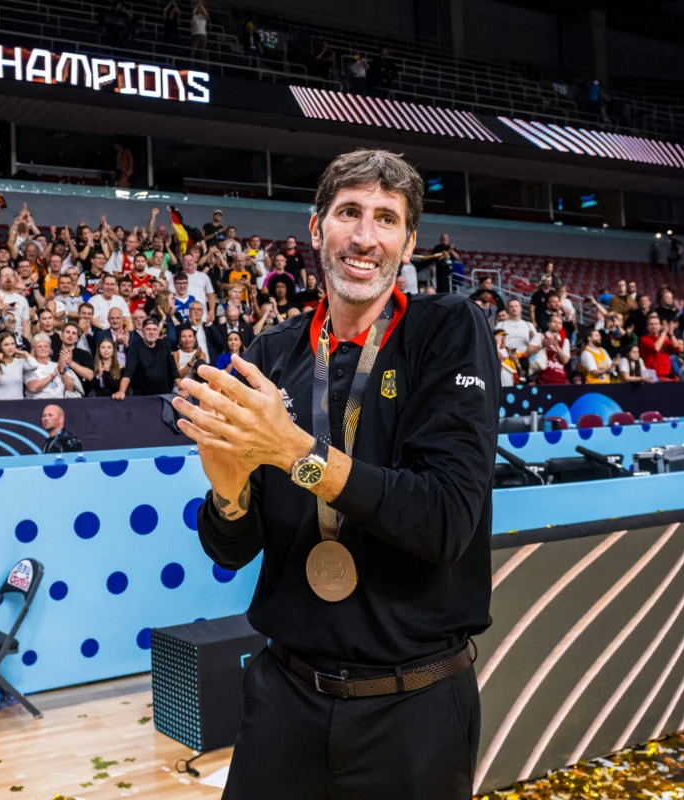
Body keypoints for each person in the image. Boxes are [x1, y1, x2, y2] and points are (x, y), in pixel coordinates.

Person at [173, 149, 497, 798]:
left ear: (407, 244)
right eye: (349, 212)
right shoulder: (272, 353)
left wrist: (297, 452)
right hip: (285, 694)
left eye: (386, 218)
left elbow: (445, 522)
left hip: (414, 706)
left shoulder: (449, 330)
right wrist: (228, 490)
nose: (365, 235)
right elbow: (234, 549)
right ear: (317, 229)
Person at [115, 317, 178, 398]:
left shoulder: (165, 345)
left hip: (164, 395)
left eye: (154, 329)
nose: (151, 332)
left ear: (158, 331)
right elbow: (128, 372)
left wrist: (182, 389)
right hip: (142, 397)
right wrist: (121, 391)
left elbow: (174, 370)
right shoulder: (135, 347)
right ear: (142, 331)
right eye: (148, 329)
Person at [24, 332, 75, 399]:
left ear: (50, 349)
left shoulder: (56, 365)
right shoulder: (30, 366)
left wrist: (62, 372)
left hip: (59, 402)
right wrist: (52, 375)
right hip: (38, 403)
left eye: (46, 346)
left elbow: (70, 388)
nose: (43, 348)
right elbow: (33, 388)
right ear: (34, 349)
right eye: (39, 346)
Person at [0, 331, 29, 400]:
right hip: (1, 403)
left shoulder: (19, 361)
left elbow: (34, 366)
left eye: (12, 344)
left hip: (19, 403)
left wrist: (24, 353)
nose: (10, 347)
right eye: (6, 345)